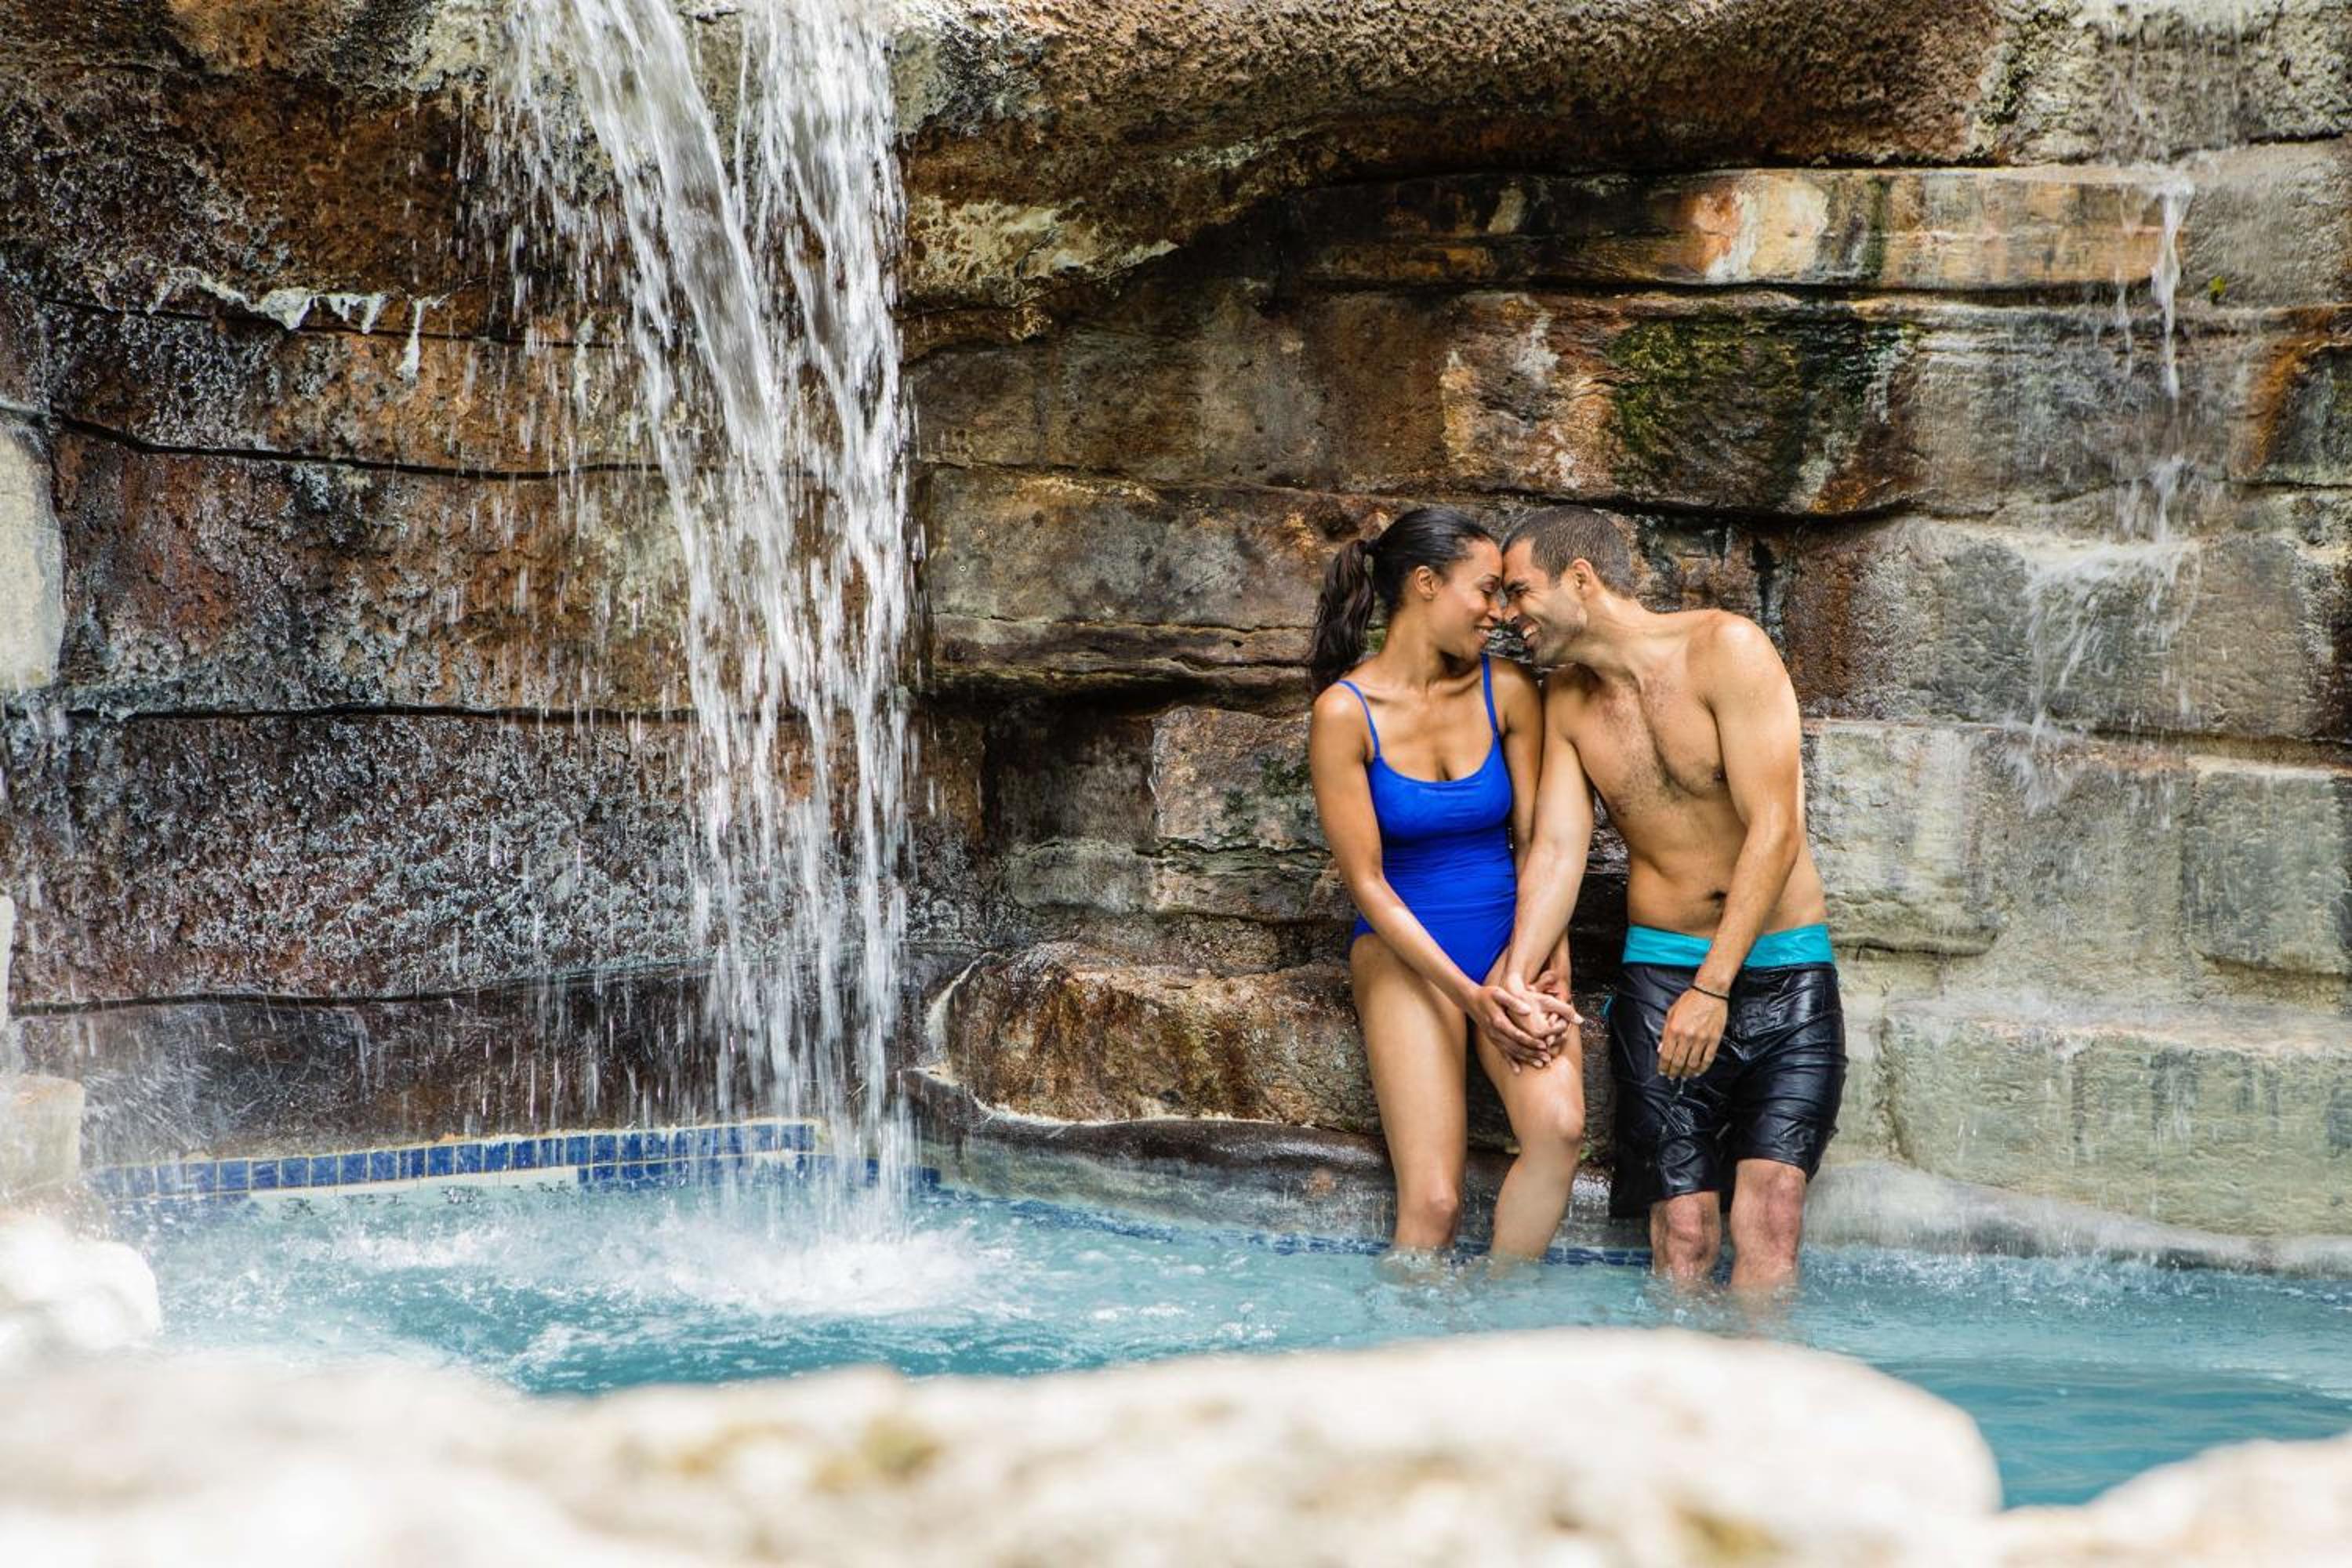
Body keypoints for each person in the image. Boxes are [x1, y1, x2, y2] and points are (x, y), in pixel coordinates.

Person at [1491, 504, 1843, 1294]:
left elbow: (1776, 828)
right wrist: (1514, 978)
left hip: (1783, 970)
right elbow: (1557, 850)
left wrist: (1713, 987)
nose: (1508, 615)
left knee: (1774, 1211)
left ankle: (1759, 1372)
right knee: (1683, 1230)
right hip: (1659, 974)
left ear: (1580, 578)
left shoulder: (1727, 649)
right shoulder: (1566, 702)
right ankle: (1675, 1372)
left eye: (1518, 591)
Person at [1305, 506, 1583, 1264]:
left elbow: (1539, 843)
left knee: (1559, 1130)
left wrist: (1545, 957)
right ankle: (1409, 1336)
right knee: (1433, 1203)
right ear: (1426, 584)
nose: (1500, 612)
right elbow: (1367, 883)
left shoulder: (1509, 690)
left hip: (1508, 948)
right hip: (1406, 956)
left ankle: (1501, 1316)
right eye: (1487, 590)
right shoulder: (1344, 714)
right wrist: (1470, 998)